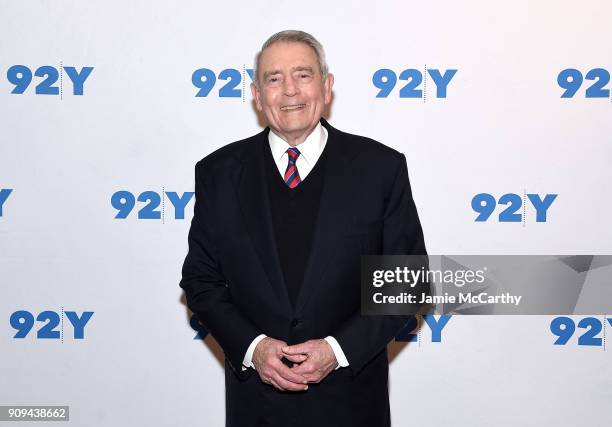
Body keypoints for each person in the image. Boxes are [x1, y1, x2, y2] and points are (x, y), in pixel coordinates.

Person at [180, 30, 427, 427]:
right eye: (273, 79)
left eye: (303, 75)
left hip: (352, 403)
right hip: (255, 406)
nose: (289, 90)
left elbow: (406, 283)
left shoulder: (381, 168)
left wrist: (337, 349)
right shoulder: (218, 173)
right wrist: (254, 348)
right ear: (257, 96)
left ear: (327, 87)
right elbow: (201, 280)